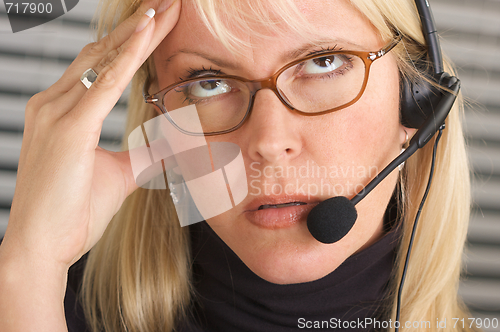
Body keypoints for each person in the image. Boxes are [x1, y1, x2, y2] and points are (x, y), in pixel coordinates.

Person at [0, 0, 477, 331]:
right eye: (208, 83)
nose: (269, 143)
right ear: (162, 122)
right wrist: (31, 267)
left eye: (323, 61)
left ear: (418, 100)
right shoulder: (33, 303)